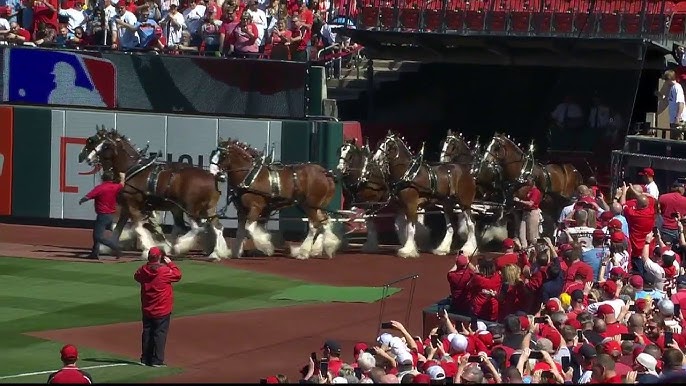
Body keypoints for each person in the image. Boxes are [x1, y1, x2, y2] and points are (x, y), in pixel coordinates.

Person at [134, 246, 182, 367]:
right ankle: (157, 360)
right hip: (162, 309)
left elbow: (137, 276)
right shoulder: (164, 271)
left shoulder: (143, 270)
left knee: (147, 333)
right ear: (160, 257)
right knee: (159, 334)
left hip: (147, 308)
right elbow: (178, 275)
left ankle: (145, 358)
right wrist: (170, 263)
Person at [78, 171, 124, 259]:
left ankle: (115, 248)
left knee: (98, 236)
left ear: (103, 178)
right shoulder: (115, 187)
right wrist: (122, 176)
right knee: (96, 235)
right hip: (111, 215)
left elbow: (88, 197)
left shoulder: (100, 188)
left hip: (103, 215)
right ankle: (94, 253)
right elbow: (122, 184)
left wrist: (81, 200)